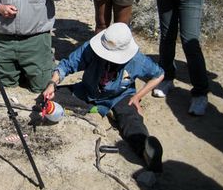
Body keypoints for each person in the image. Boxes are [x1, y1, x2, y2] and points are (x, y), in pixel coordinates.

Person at [42, 23, 164, 172]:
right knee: (49, 99)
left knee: (131, 118)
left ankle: (146, 150)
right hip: (87, 91)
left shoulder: (137, 60)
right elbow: (66, 65)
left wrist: (138, 96)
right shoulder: (90, 48)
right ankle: (98, 108)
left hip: (120, 96)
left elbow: (159, 74)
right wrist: (52, 84)